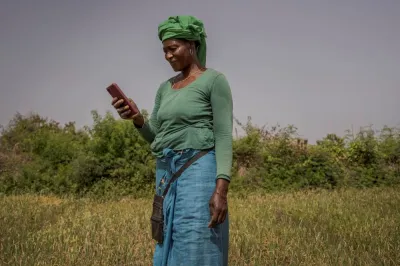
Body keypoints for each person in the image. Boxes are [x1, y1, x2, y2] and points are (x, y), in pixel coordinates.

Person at [111, 15, 233, 266]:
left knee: (198, 239)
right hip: (167, 175)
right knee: (169, 237)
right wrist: (136, 118)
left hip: (199, 171)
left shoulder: (214, 81)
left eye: (172, 48)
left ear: (192, 45)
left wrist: (221, 191)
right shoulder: (165, 88)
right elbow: (156, 137)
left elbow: (222, 136)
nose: (167, 55)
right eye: (164, 50)